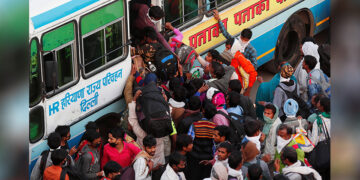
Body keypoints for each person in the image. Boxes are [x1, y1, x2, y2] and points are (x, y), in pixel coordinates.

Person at [186, 103, 216, 180]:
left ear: (203, 111)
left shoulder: (195, 125)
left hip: (194, 157)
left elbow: (189, 140)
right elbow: (214, 145)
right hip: (207, 159)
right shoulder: (214, 127)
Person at [293, 37, 321, 102]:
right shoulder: (315, 59)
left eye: (301, 48)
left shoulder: (307, 63)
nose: (300, 50)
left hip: (302, 97)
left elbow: (302, 85)